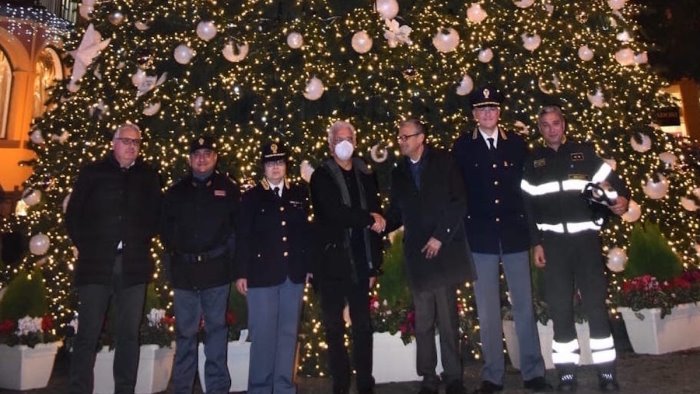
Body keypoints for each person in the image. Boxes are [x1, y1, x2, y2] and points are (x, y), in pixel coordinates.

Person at [521, 106, 630, 392]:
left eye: (556, 123)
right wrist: (536, 243)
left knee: (595, 306)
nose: (551, 129)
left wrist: (622, 201)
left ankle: (606, 374)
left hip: (586, 244)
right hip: (554, 246)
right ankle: (566, 373)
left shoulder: (585, 154)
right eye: (545, 125)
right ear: (540, 129)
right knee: (559, 309)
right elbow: (528, 208)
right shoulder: (534, 163)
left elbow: (617, 186)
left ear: (564, 124)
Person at [452, 87, 550, 393]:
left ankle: (532, 371)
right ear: (473, 115)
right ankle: (492, 375)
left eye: (491, 109)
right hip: (480, 237)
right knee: (487, 309)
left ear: (499, 112)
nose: (487, 114)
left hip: (513, 235)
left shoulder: (517, 145)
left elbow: (527, 193)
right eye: (481, 110)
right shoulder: (462, 147)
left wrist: (535, 237)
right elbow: (457, 193)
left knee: (523, 305)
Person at [65, 123, 161, 394]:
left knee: (129, 335)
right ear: (113, 143)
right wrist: (91, 246)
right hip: (95, 266)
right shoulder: (92, 173)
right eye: (126, 141)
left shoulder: (148, 176)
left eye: (136, 143)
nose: (132, 146)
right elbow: (73, 216)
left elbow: (156, 216)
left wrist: (138, 239)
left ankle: (125, 389)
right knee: (87, 334)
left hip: (133, 266)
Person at [383, 119, 475, 394]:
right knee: (422, 320)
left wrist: (440, 236)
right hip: (418, 255)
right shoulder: (399, 171)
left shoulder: (444, 162)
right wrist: (378, 223)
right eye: (399, 137)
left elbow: (458, 202)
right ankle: (428, 377)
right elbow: (396, 212)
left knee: (447, 318)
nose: (401, 142)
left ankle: (453, 376)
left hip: (443, 249)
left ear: (421, 137)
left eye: (406, 137)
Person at [309, 120, 384, 394]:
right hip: (331, 263)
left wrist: (375, 263)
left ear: (355, 141)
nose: (344, 142)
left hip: (361, 262)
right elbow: (334, 212)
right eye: (338, 138)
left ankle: (365, 383)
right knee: (333, 326)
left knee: (362, 325)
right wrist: (368, 218)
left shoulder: (365, 173)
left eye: (348, 137)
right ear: (330, 144)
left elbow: (376, 216)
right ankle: (340, 383)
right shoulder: (321, 176)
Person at [161, 134, 240, 393]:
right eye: (197, 154)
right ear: (190, 159)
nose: (202, 158)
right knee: (185, 335)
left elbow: (235, 229)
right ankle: (183, 387)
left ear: (215, 157)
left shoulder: (228, 189)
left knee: (216, 333)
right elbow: (165, 230)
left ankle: (217, 388)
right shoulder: (176, 191)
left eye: (207, 153)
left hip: (216, 272)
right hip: (184, 273)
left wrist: (225, 255)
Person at [236, 142, 313, 394]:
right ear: (263, 167)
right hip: (261, 276)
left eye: (279, 162)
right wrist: (241, 272)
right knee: (263, 337)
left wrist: (308, 266)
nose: (276, 167)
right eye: (270, 163)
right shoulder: (250, 197)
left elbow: (305, 234)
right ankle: (259, 389)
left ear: (286, 165)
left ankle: (283, 388)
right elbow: (242, 236)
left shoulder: (299, 194)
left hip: (293, 274)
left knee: (288, 335)